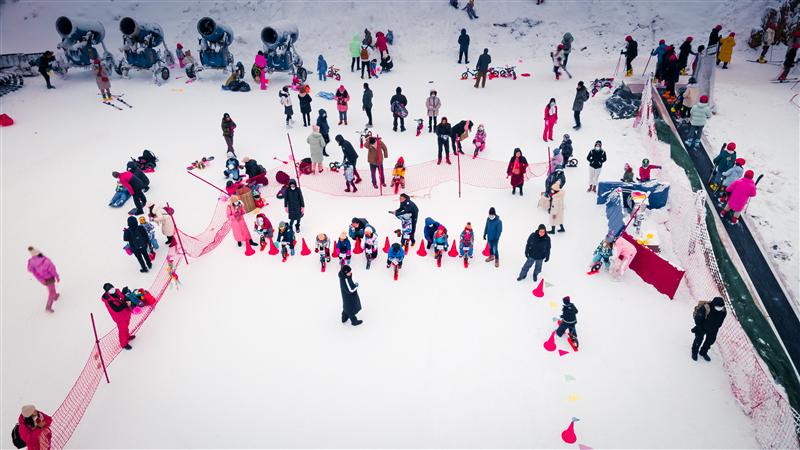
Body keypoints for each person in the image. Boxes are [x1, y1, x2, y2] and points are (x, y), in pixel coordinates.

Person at [691, 296, 727, 361]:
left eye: (721, 307)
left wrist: (717, 327)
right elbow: (697, 319)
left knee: (710, 341)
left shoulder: (723, 311)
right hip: (702, 327)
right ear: (714, 304)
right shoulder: (706, 308)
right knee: (698, 340)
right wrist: (699, 327)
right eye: (718, 307)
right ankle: (694, 352)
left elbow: (721, 320)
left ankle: (703, 352)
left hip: (714, 329)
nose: (720, 308)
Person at [101, 283, 135, 350]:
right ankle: (124, 344)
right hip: (119, 317)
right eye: (109, 289)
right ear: (107, 291)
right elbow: (116, 309)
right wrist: (125, 304)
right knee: (122, 330)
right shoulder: (108, 300)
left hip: (126, 313)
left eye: (112, 287)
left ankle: (127, 337)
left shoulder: (117, 291)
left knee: (126, 326)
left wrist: (126, 297)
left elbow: (123, 297)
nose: (112, 289)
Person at [26, 247, 60, 313]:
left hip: (43, 279)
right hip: (49, 278)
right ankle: (48, 306)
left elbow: (35, 273)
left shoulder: (32, 262)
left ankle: (55, 296)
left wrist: (41, 280)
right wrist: (57, 277)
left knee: (51, 288)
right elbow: (53, 270)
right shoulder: (47, 262)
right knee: (51, 292)